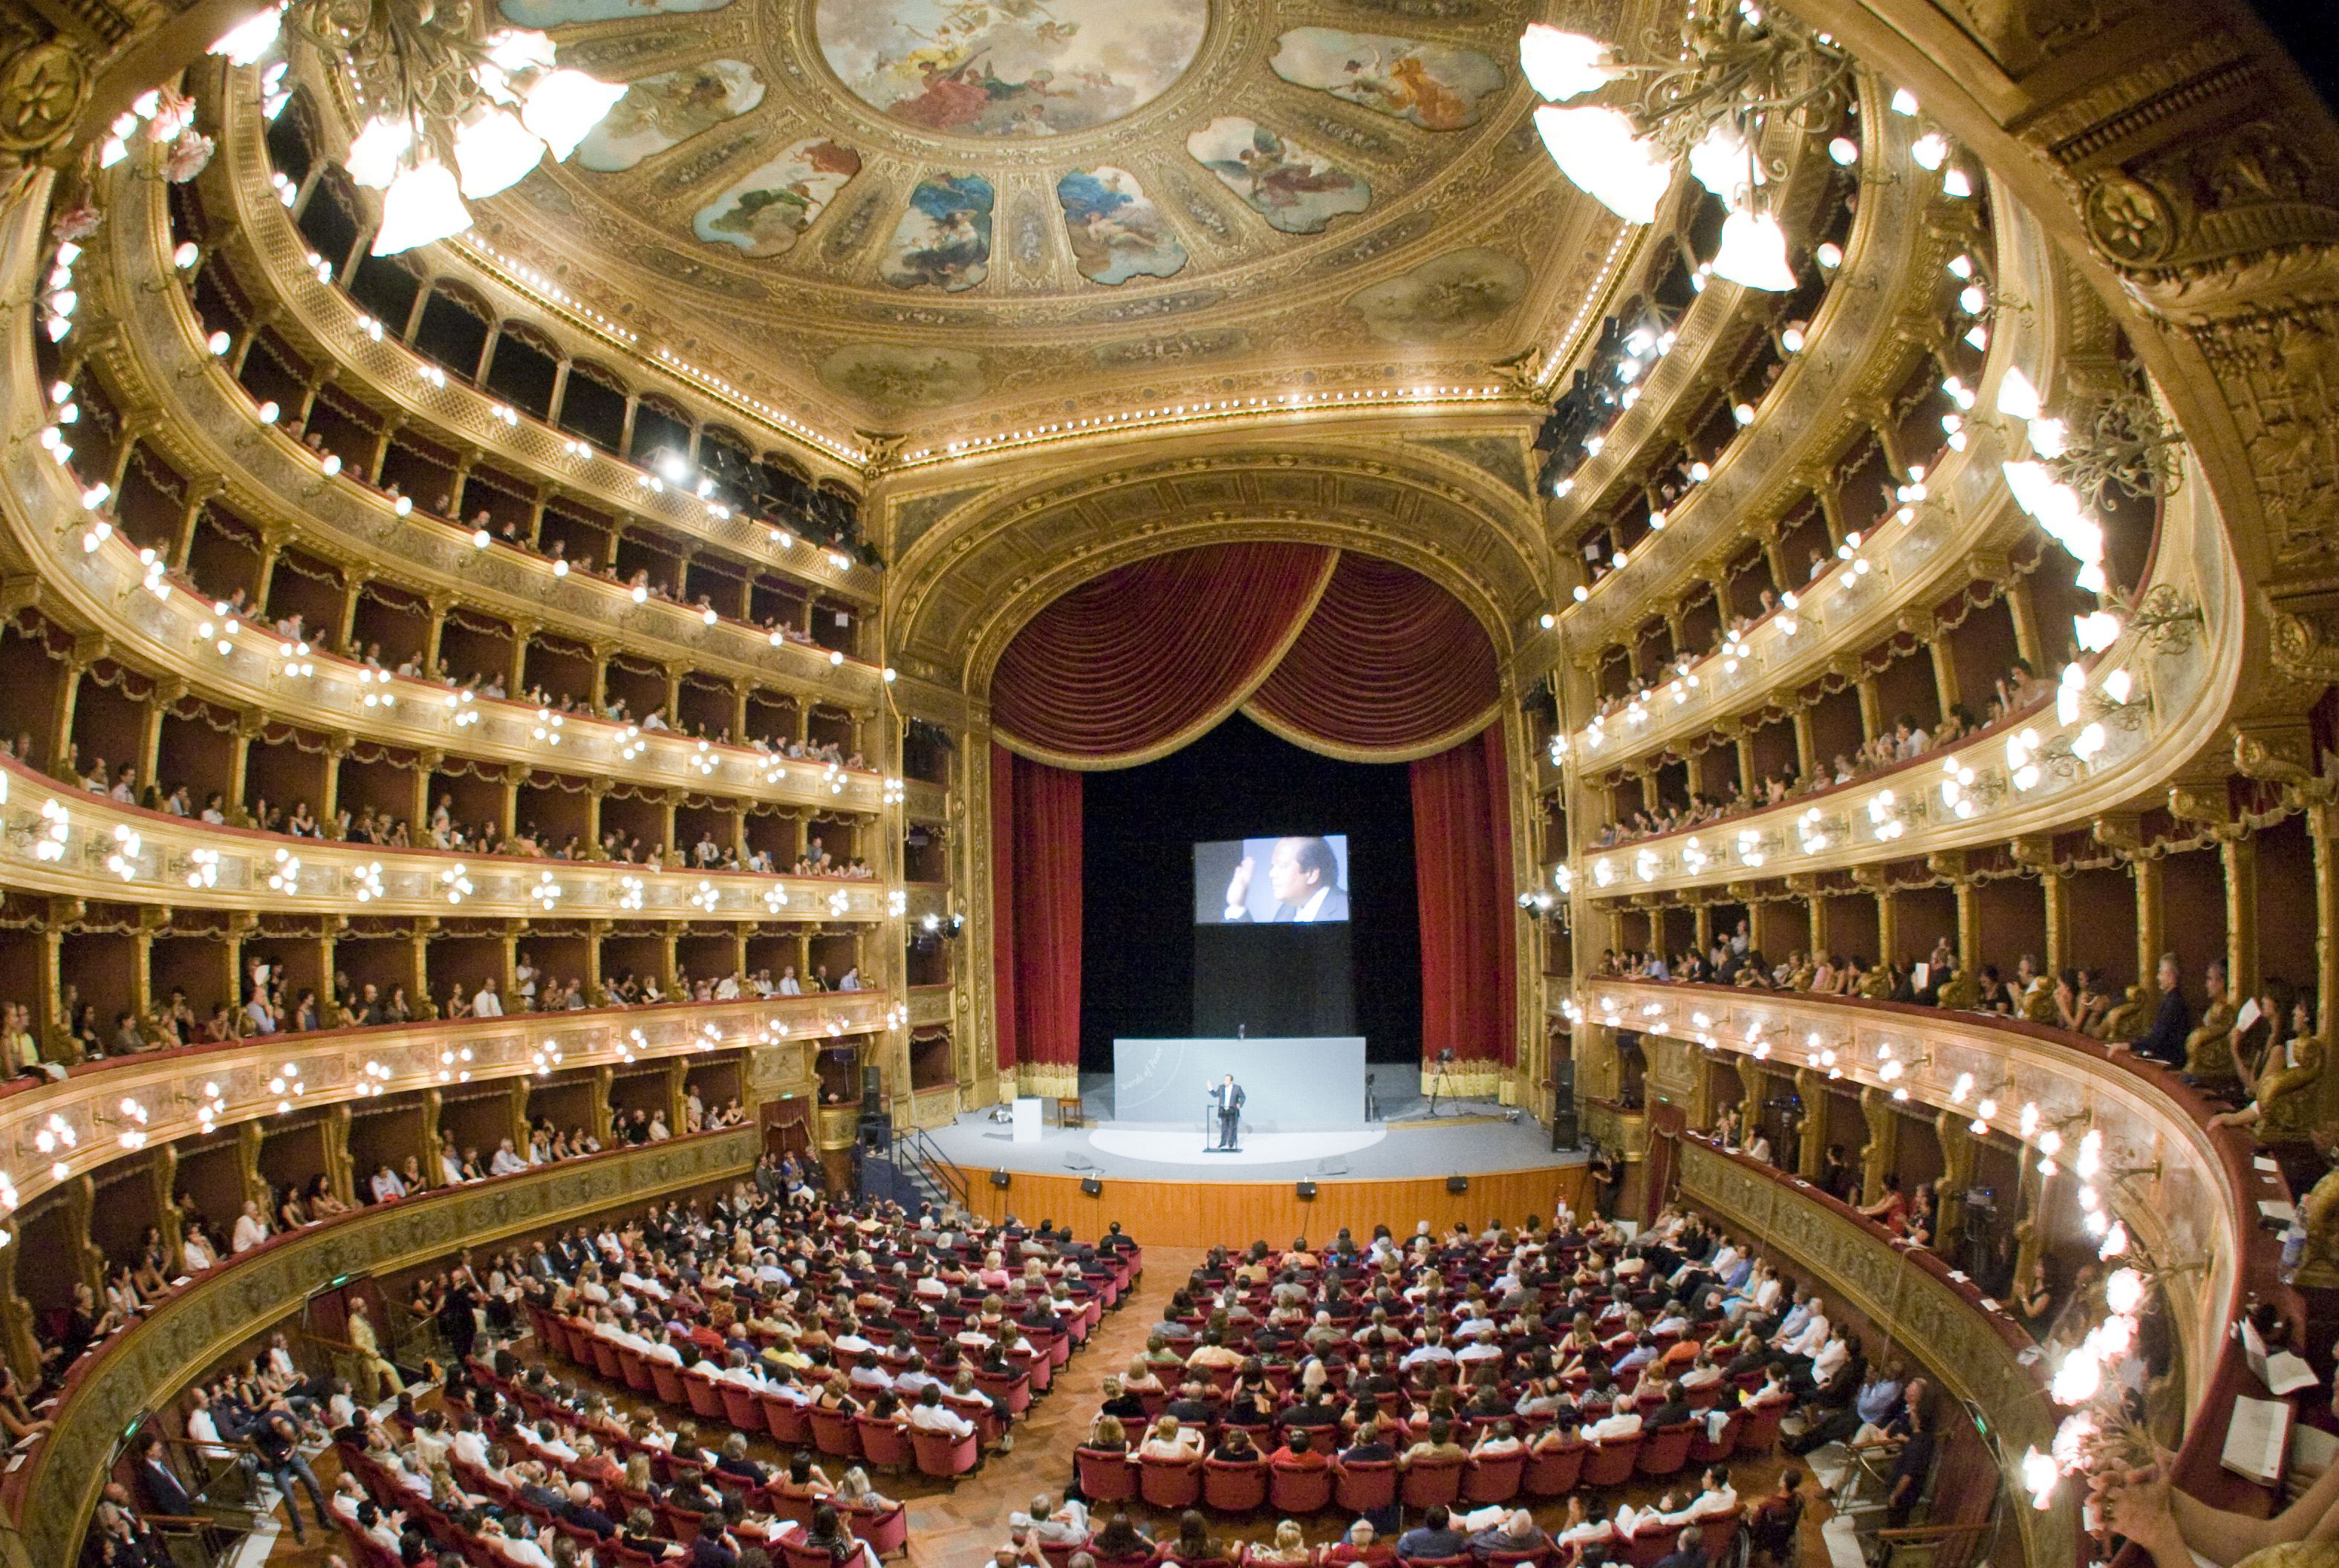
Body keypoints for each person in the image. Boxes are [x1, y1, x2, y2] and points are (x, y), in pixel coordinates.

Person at [1223, 836, 1349, 923]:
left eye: (1281, 866)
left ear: (1311, 874)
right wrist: (1237, 905)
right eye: (1273, 866)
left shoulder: (1346, 910)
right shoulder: (1286, 911)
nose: (1272, 874)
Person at [1397, 1506, 1466, 1561]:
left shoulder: (1411, 1537)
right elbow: (1463, 1552)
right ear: (1447, 1522)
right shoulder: (1458, 1536)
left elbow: (1400, 1554)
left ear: (1426, 1520)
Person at [1211, 1075, 1244, 1151]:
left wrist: (1240, 1103)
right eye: (1224, 1080)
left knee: (1232, 1127)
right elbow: (1215, 1095)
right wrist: (1210, 1088)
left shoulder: (1237, 1088)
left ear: (1231, 1081)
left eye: (1227, 1080)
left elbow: (1243, 1097)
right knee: (1224, 1127)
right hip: (1223, 1111)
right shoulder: (1221, 1087)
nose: (1225, 1081)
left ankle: (1231, 1143)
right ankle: (1223, 1142)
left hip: (1233, 1111)